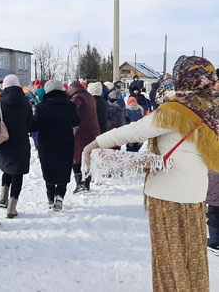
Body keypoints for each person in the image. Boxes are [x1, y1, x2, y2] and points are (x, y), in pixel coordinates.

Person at [83, 56, 219, 292]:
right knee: (193, 261)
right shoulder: (212, 110)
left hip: (168, 197)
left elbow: (134, 131)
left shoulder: (176, 111)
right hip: (196, 197)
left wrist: (94, 144)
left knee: (170, 260)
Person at [30, 80, 80, 210]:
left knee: (49, 170)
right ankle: (60, 196)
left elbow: (35, 125)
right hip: (66, 142)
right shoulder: (70, 105)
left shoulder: (42, 106)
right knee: (63, 170)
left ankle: (51, 198)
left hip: (47, 143)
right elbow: (76, 121)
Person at [0, 75, 32, 218]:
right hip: (21, 143)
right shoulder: (26, 103)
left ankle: (3, 198)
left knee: (7, 169)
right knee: (18, 174)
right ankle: (12, 208)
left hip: (3, 142)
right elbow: (29, 124)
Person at [67, 82, 100, 194]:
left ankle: (80, 183)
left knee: (76, 157)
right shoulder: (90, 96)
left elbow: (72, 109)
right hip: (94, 131)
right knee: (88, 157)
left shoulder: (78, 97)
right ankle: (86, 183)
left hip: (81, 131)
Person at [208, 171, 219, 254]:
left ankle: (214, 243)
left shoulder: (210, 163)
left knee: (213, 222)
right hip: (214, 200)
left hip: (213, 201)